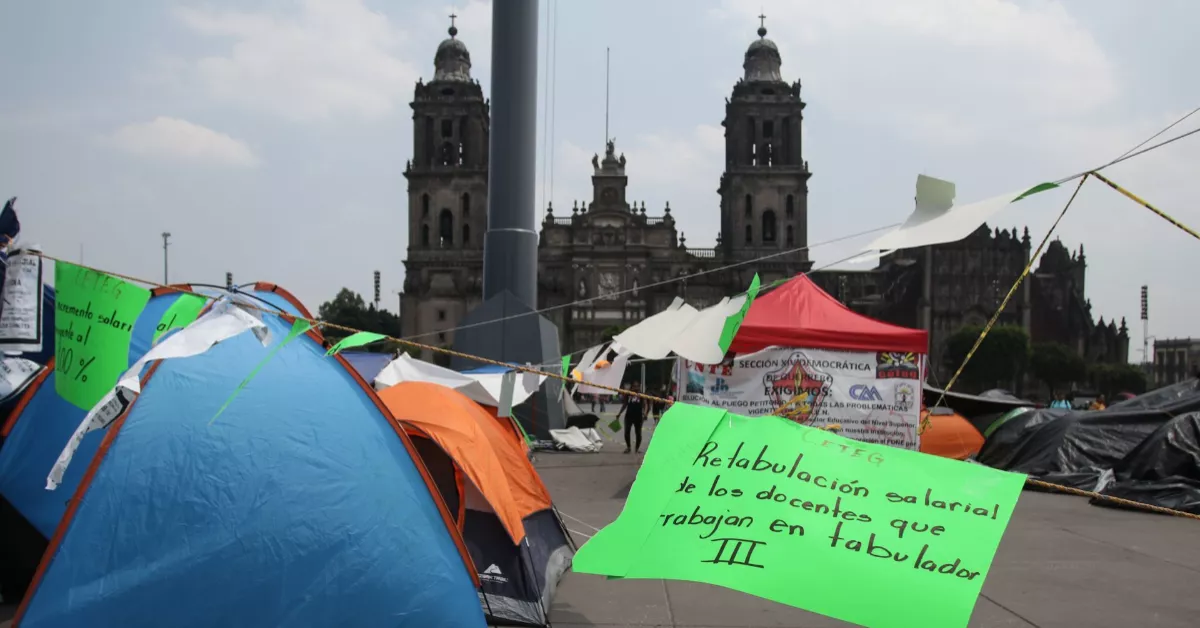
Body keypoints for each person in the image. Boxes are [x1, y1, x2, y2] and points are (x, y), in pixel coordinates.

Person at [617, 382, 647, 454]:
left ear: (639, 387)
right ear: (632, 387)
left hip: (638, 416)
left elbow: (645, 405)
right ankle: (628, 447)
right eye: (634, 386)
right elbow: (625, 404)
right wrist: (619, 413)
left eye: (637, 386)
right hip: (629, 416)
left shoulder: (641, 394)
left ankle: (637, 449)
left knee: (638, 433)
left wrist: (645, 413)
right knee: (627, 432)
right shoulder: (628, 394)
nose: (636, 388)